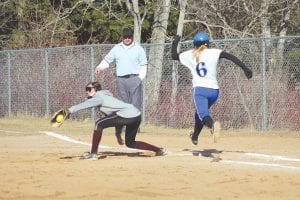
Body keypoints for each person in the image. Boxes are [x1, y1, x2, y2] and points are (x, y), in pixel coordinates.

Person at [171, 32, 253, 145]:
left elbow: (174, 56)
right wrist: (245, 68)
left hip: (200, 90)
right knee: (199, 114)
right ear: (207, 43)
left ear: (195, 44)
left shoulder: (190, 54)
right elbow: (231, 57)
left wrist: (175, 42)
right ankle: (194, 136)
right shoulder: (214, 52)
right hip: (214, 91)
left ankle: (212, 127)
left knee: (203, 115)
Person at [64, 81, 166, 160]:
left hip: (127, 115)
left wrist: (69, 111)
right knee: (130, 143)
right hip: (136, 115)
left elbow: (84, 105)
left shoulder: (98, 96)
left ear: (95, 90)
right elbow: (117, 119)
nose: (87, 91)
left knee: (98, 124)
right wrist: (118, 134)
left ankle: (93, 154)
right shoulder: (106, 97)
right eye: (86, 89)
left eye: (89, 89)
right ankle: (158, 150)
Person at [94, 28, 148, 145]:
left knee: (135, 106)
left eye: (129, 37)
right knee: (123, 106)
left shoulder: (138, 49)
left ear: (132, 37)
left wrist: (139, 79)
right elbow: (107, 60)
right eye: (125, 37)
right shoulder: (117, 48)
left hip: (134, 78)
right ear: (122, 37)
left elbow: (144, 65)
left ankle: (133, 129)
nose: (127, 39)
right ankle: (120, 130)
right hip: (121, 80)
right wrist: (99, 67)